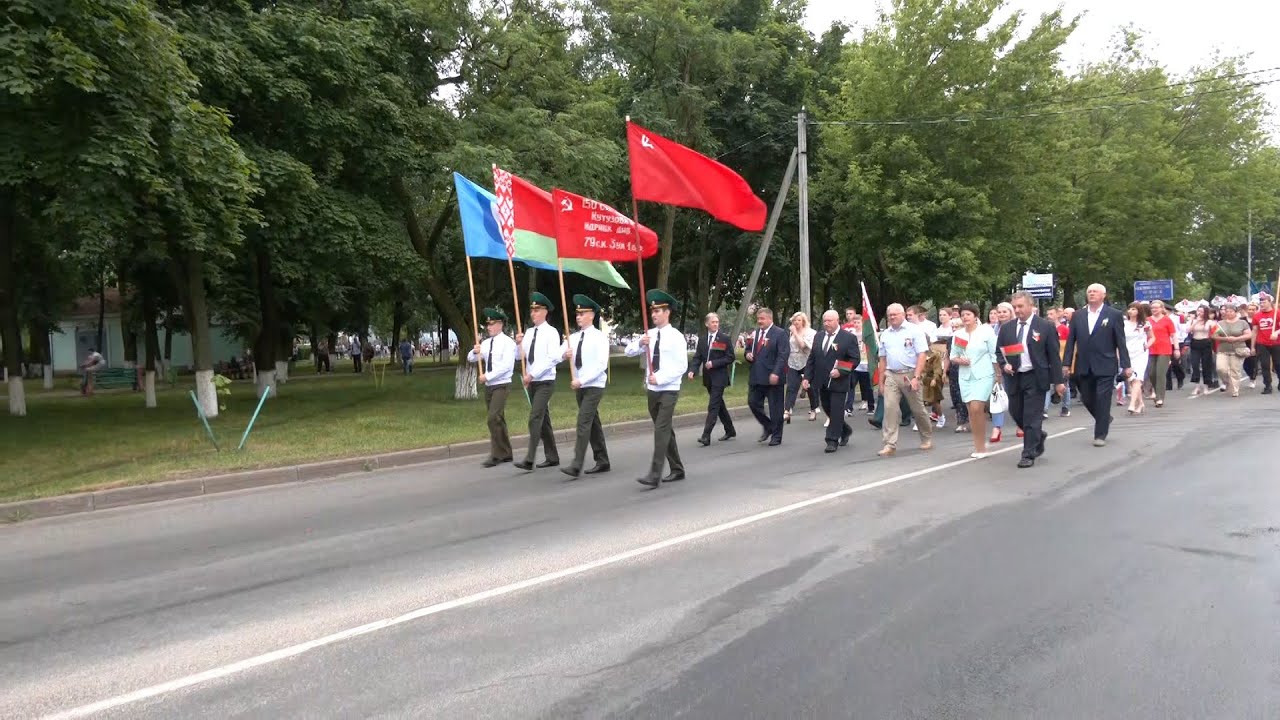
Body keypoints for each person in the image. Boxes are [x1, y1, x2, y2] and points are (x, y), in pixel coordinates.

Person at [625, 289, 689, 488]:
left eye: (658, 311)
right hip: (652, 392)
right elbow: (628, 352)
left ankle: (654, 473)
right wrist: (639, 343)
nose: (654, 315)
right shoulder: (648, 335)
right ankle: (677, 468)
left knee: (660, 430)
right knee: (665, 430)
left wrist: (659, 378)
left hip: (669, 389)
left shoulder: (677, 337)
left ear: (667, 312)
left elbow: (681, 366)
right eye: (652, 311)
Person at [996, 292, 1065, 468]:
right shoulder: (1007, 328)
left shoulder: (1045, 326)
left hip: (1036, 376)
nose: (1017, 310)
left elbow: (1054, 356)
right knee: (1016, 412)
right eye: (1015, 307)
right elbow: (999, 352)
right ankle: (1037, 435)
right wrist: (1004, 364)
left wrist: (1058, 381)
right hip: (1014, 377)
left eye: (1020, 306)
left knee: (1031, 416)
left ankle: (1028, 453)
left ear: (1030, 306)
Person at [1063, 283, 1132, 447]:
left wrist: (1126, 365)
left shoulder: (1113, 315)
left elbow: (1120, 342)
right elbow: (1071, 341)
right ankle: (1104, 418)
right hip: (1084, 364)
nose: (1091, 294)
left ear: (1103, 295)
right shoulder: (1078, 315)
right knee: (1086, 397)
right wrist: (1066, 364)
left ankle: (1100, 434)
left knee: (1103, 398)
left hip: (1106, 363)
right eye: (1089, 292)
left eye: (1095, 291)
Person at [558, 294, 611, 478]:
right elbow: (556, 356)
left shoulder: (599, 338)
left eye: (582, 313)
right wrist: (564, 355)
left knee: (583, 421)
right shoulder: (572, 338)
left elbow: (601, 365)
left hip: (594, 385)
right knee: (592, 422)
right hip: (579, 386)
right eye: (577, 313)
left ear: (592, 315)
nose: (578, 316)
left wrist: (582, 380)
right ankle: (602, 460)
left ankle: (576, 464)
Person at [875, 303, 934, 457]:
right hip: (891, 374)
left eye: (895, 314)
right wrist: (880, 382)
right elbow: (882, 359)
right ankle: (890, 444)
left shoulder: (914, 331)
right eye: (890, 315)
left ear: (903, 315)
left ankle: (926, 436)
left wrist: (916, 377)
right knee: (890, 409)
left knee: (917, 409)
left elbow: (922, 354)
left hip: (910, 374)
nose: (892, 317)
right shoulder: (885, 334)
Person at [514, 292, 561, 471]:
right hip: (532, 383)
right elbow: (520, 357)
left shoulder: (551, 333)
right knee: (543, 420)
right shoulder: (529, 332)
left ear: (545, 312)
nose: (533, 313)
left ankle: (529, 459)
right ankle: (552, 456)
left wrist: (532, 374)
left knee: (535, 417)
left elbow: (551, 359)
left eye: (537, 310)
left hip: (545, 381)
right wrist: (518, 344)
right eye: (532, 310)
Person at [802, 310, 860, 453]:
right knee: (828, 409)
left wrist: (841, 370)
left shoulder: (848, 338)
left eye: (829, 321)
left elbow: (854, 359)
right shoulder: (819, 336)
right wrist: (807, 377)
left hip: (839, 381)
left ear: (837, 320)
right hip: (822, 381)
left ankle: (832, 440)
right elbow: (812, 358)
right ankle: (845, 429)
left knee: (836, 409)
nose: (826, 323)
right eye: (825, 321)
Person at [467, 308, 516, 467]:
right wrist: (475, 352)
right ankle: (506, 453)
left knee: (492, 418)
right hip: (489, 387)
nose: (489, 327)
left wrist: (486, 376)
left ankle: (496, 455)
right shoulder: (486, 343)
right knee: (498, 419)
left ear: (500, 324)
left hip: (501, 384)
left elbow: (506, 366)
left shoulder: (508, 342)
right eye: (487, 324)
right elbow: (471, 358)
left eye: (492, 324)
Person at [949, 302, 999, 458]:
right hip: (965, 376)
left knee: (978, 407)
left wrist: (998, 374)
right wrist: (959, 360)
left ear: (975, 316)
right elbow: (953, 356)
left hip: (984, 374)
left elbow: (994, 353)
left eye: (968, 314)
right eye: (963, 315)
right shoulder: (958, 335)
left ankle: (981, 447)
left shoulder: (986, 332)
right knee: (972, 411)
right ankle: (979, 446)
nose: (965, 317)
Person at [689, 312, 736, 445]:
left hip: (720, 377)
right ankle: (730, 429)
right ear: (707, 324)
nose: (715, 324)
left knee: (713, 405)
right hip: (708, 378)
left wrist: (714, 363)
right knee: (719, 405)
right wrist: (692, 370)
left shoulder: (724, 338)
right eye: (713, 322)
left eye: (717, 322)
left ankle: (706, 435)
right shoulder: (703, 340)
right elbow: (698, 357)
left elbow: (730, 357)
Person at [745, 307, 789, 446]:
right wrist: (747, 354)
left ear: (770, 319)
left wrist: (776, 372)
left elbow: (783, 355)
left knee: (775, 408)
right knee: (753, 402)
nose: (759, 321)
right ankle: (768, 425)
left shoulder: (780, 333)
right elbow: (748, 348)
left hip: (772, 376)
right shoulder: (755, 333)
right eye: (758, 319)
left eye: (762, 318)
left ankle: (776, 436)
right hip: (756, 375)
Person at [784, 312, 819, 423]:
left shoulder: (810, 332)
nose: (796, 322)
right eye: (794, 320)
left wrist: (795, 333)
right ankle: (787, 410)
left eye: (799, 320)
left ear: (803, 321)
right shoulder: (791, 333)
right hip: (793, 363)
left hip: (807, 362)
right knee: (791, 387)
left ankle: (813, 409)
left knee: (810, 388)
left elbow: (803, 346)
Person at [1144, 300, 1178, 408]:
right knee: (1151, 373)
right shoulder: (1147, 320)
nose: (1154, 309)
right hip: (1150, 349)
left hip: (1164, 349)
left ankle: (1159, 397)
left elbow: (1173, 335)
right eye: (1152, 308)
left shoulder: (1167, 320)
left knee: (1160, 373)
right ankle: (1156, 392)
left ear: (1162, 308)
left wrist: (1176, 348)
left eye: (1156, 307)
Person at [1214, 304, 1253, 397]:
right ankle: (1226, 381)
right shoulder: (1220, 323)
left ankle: (1235, 389)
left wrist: (1236, 338)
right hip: (1223, 349)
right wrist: (1225, 339)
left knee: (1235, 370)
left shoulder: (1242, 323)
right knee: (1220, 368)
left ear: (1236, 312)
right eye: (1226, 311)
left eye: (1231, 311)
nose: (1228, 313)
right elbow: (1214, 335)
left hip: (1237, 349)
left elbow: (1249, 335)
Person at [1123, 303, 1153, 415]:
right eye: (1130, 308)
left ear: (1139, 311)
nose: (1131, 311)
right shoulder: (1123, 324)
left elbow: (1152, 337)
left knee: (1137, 379)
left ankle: (1132, 404)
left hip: (1140, 353)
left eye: (1134, 309)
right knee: (1131, 380)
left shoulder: (1144, 324)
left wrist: (1147, 345)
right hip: (1127, 353)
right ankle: (1140, 403)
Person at [1251, 295, 1279, 395]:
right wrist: (1252, 347)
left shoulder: (1277, 313)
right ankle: (1268, 385)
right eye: (1261, 303)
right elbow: (1254, 331)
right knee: (1264, 365)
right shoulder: (1257, 315)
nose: (1262, 304)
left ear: (1270, 302)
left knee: (1278, 364)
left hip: (1277, 343)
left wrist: (1277, 332)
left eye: (1264, 302)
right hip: (1262, 343)